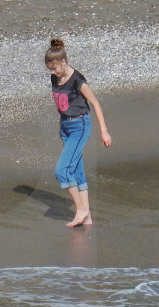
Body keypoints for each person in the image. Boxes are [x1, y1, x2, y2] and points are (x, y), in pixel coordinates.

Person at [45, 37, 112, 227]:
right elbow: (62, 105)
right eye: (50, 68)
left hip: (80, 126)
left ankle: (81, 209)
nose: (53, 71)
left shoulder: (78, 80)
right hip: (66, 127)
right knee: (75, 170)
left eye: (55, 67)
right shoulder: (54, 78)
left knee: (62, 170)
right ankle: (87, 218)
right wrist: (61, 126)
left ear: (64, 61)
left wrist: (104, 132)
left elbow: (95, 103)